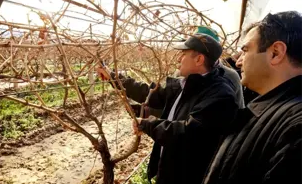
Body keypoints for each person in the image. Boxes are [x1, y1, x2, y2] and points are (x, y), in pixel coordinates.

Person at [98, 32, 238, 184]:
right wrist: (113, 77)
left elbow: (187, 133)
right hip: (170, 169)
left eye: (183, 54)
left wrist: (147, 124)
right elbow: (148, 92)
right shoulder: (186, 84)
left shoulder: (220, 95)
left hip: (188, 176)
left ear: (199, 59)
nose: (178, 59)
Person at [203, 11, 302, 184]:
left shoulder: (296, 125)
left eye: (246, 50)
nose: (239, 62)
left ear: (276, 53)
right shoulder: (267, 108)